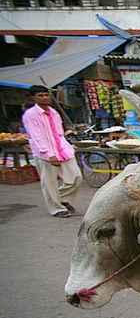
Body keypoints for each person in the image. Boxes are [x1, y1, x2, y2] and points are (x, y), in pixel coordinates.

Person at [21, 85, 82, 218]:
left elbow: (59, 133)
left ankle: (62, 199)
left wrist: (66, 147)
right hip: (45, 152)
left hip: (62, 149)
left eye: (46, 95)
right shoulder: (30, 115)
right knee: (49, 183)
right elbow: (37, 136)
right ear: (33, 97)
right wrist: (49, 154)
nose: (44, 98)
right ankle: (56, 208)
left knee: (76, 177)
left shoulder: (54, 113)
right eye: (40, 95)